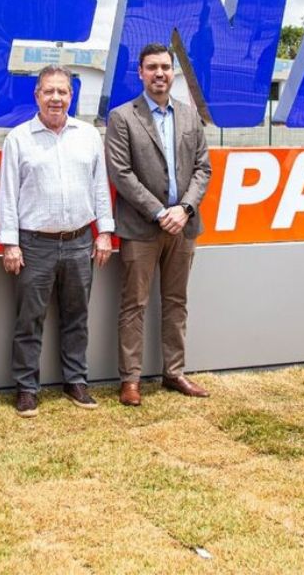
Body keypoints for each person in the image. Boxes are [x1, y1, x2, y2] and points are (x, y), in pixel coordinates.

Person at [0, 64, 114, 417]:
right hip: (34, 244)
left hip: (80, 241)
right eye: (48, 91)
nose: (56, 98)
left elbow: (99, 186)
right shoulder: (19, 138)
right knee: (29, 320)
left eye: (62, 91)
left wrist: (104, 231)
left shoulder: (88, 135)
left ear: (71, 95)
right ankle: (27, 387)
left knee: (76, 316)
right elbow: (8, 195)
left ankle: (76, 380)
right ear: (37, 96)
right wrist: (11, 243)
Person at [104, 43, 212, 406]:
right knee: (133, 304)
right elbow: (121, 173)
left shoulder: (189, 115)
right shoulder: (122, 117)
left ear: (172, 72)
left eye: (165, 67)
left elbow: (203, 168)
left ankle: (174, 372)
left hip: (183, 226)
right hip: (141, 228)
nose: (160, 73)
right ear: (140, 72)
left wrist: (183, 209)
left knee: (176, 302)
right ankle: (130, 380)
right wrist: (158, 211)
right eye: (152, 67)